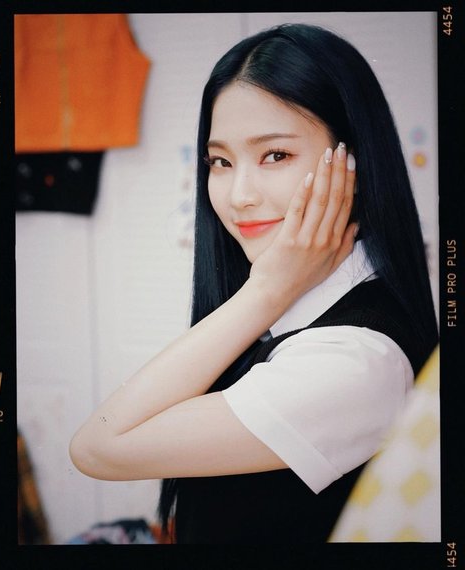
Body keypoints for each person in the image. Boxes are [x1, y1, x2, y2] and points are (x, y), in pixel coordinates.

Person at [69, 23, 438, 544]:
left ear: (354, 164)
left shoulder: (354, 359)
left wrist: (265, 292)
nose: (239, 194)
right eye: (220, 161)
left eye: (275, 155)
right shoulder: (299, 309)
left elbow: (96, 448)